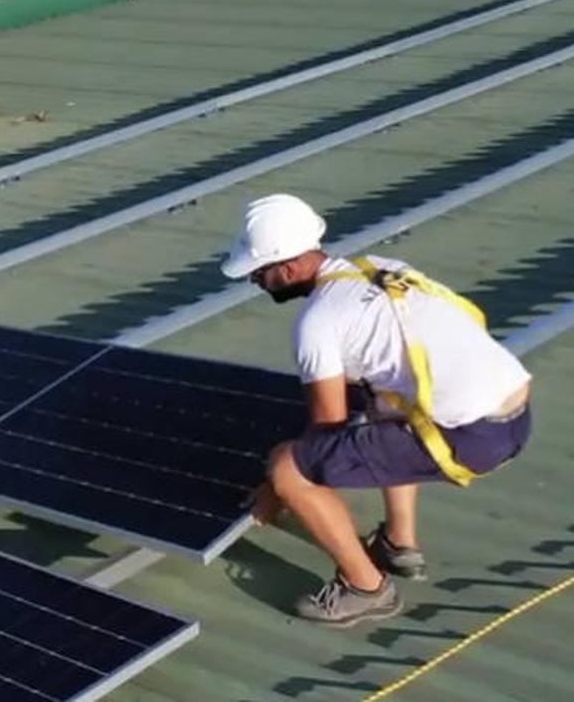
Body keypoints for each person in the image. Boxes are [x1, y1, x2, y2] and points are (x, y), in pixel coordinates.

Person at [220, 193, 532, 627]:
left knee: (290, 468)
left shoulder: (318, 323)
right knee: (378, 398)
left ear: (287, 269)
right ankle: (398, 543)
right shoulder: (381, 267)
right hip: (515, 414)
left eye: (258, 273)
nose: (255, 282)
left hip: (472, 439)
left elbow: (326, 429)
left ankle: (366, 588)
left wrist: (274, 492)